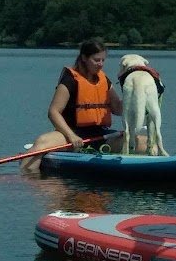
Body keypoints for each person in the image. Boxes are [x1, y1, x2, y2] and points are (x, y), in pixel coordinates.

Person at [20, 39, 127, 172]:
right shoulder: (70, 80)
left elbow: (117, 108)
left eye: (103, 60)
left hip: (101, 135)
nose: (100, 64)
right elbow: (53, 112)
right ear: (84, 58)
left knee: (142, 141)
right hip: (72, 134)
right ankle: (26, 177)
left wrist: (133, 96)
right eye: (96, 60)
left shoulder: (104, 80)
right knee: (42, 142)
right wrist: (71, 136)